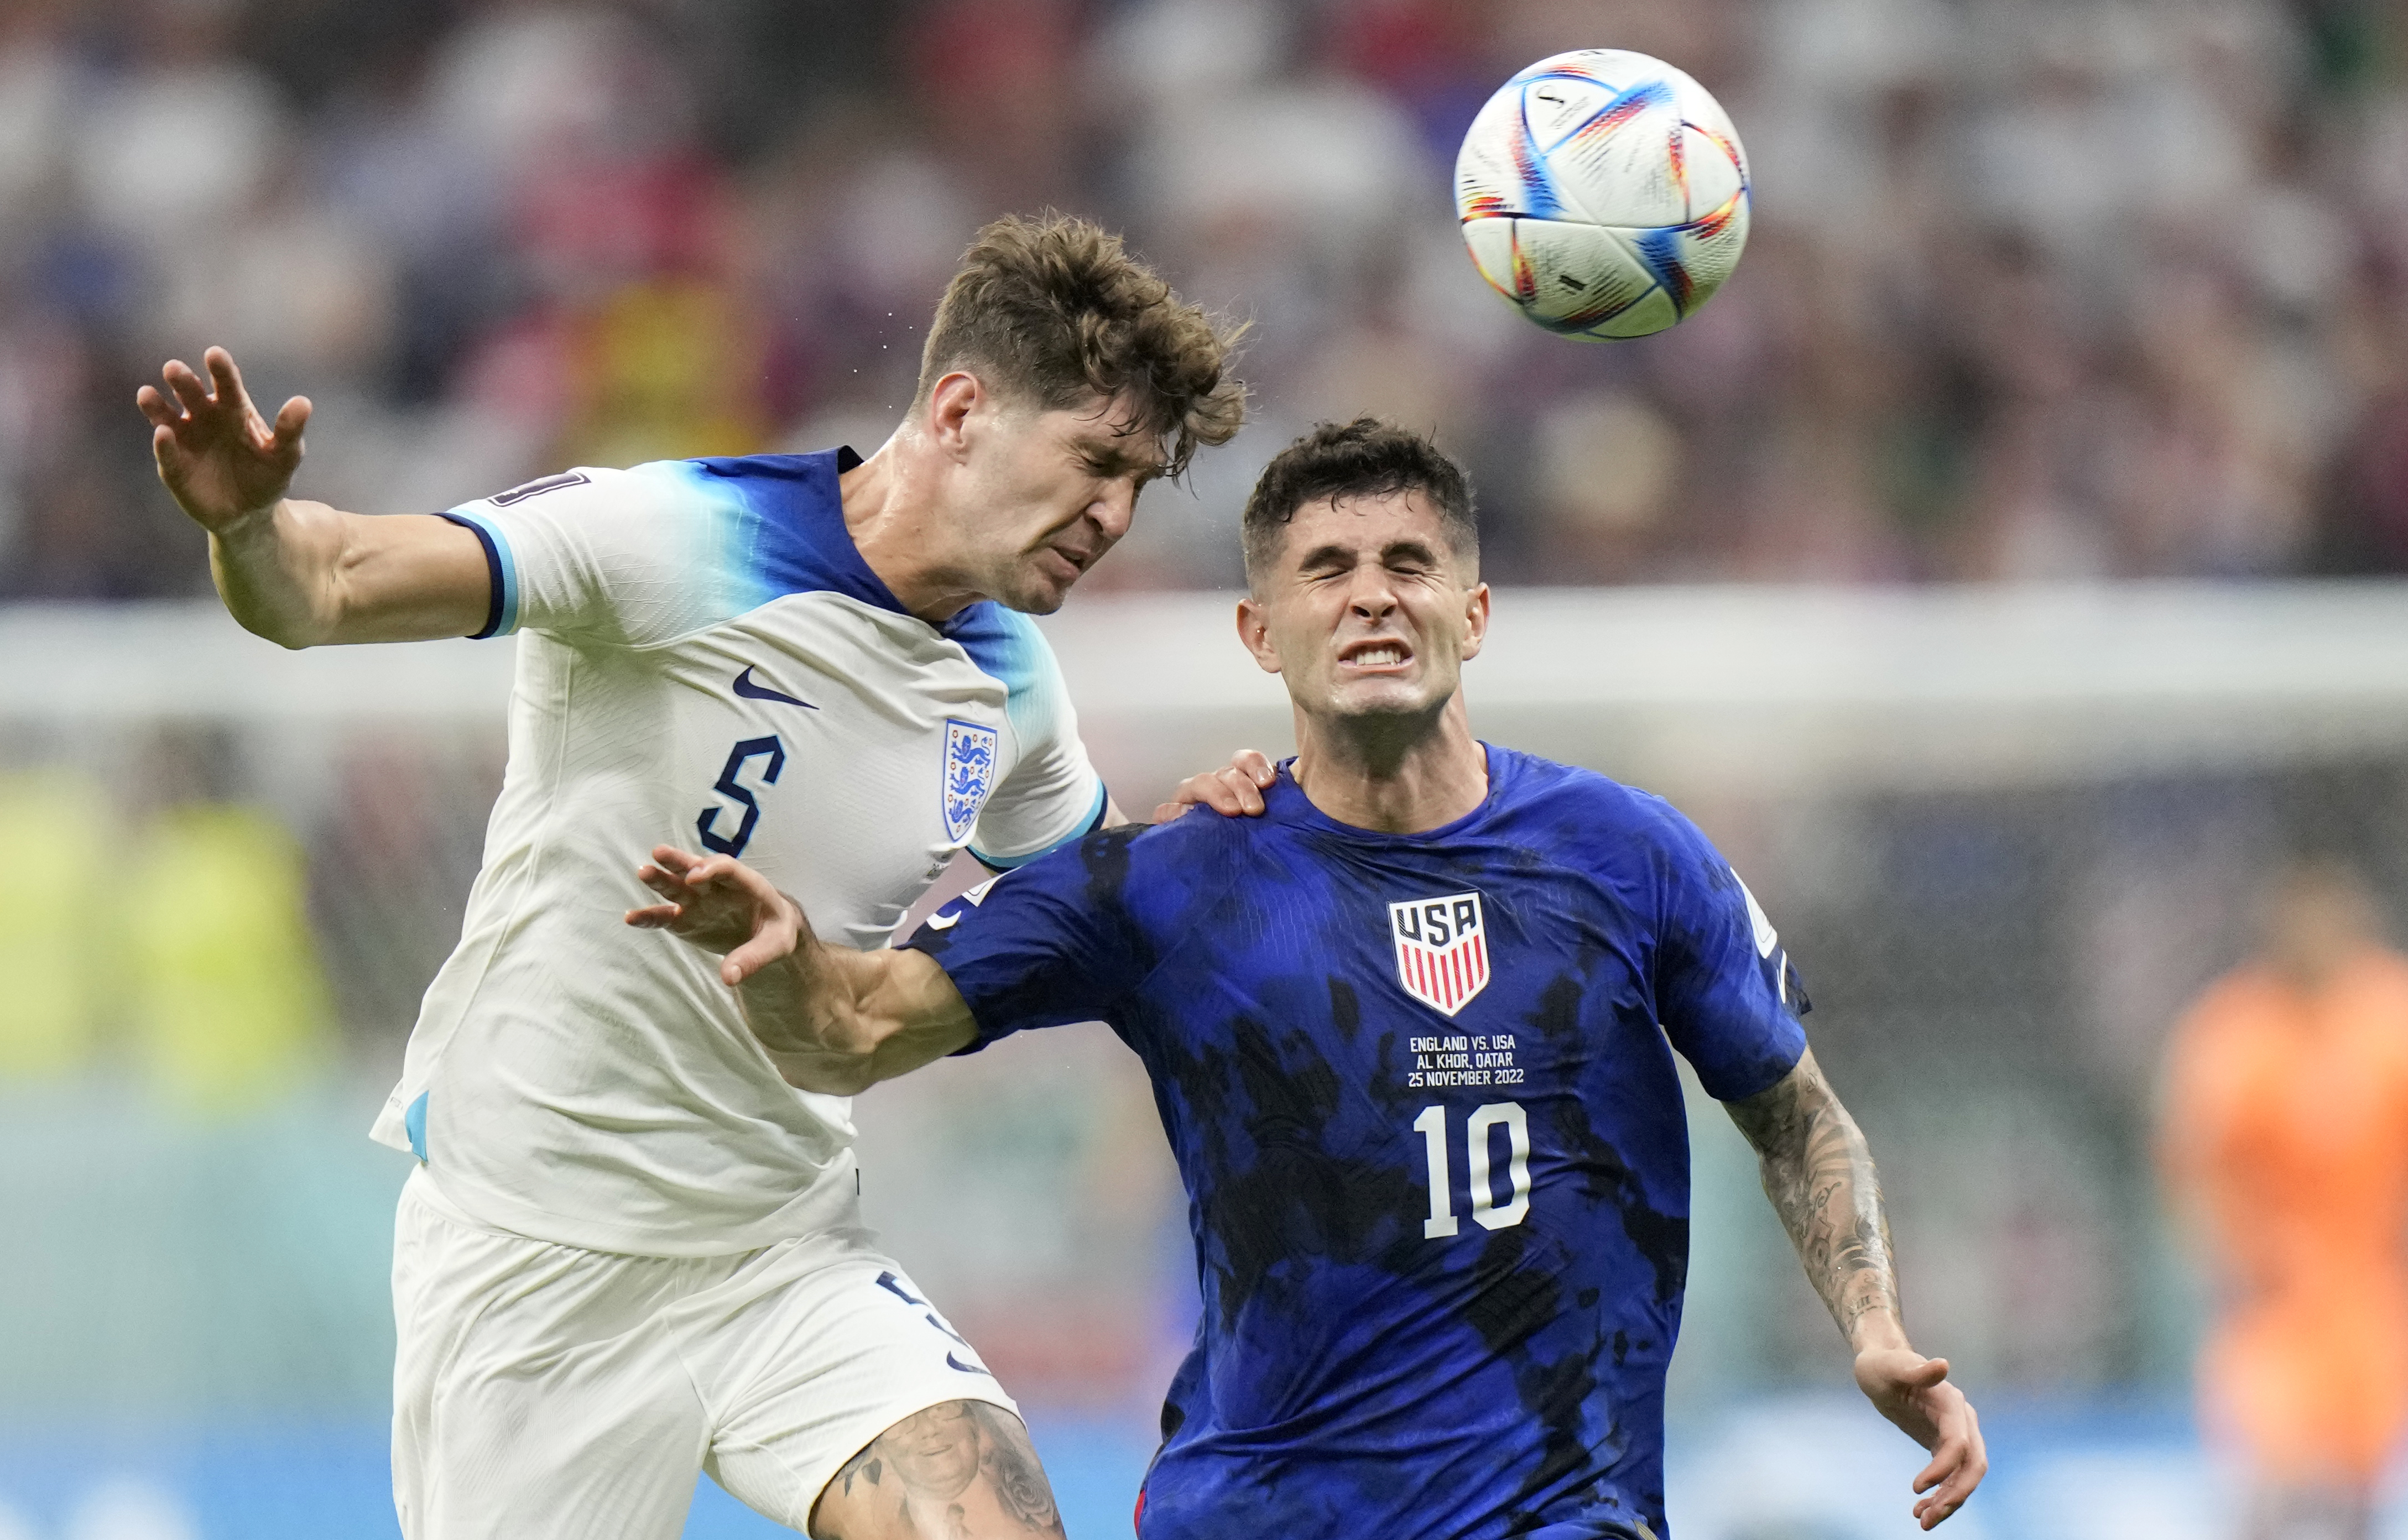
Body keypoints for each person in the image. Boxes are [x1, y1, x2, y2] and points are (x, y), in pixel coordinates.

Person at [628, 417, 1990, 1539]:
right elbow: (857, 1027)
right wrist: (790, 956)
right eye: (1325, 568)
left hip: (1557, 1514)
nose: (1371, 594)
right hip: (1256, 1512)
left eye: (1407, 560)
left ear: (1475, 609)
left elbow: (1795, 1110)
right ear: (1256, 630)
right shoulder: (1171, 877)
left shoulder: (1628, 855)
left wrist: (1872, 1322)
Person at [134, 212, 1249, 1540]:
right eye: (1096, 462)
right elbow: (323, 584)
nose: (1115, 514)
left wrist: (1201, 836)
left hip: (784, 1249)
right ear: (959, 408)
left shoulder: (1006, 677)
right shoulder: (674, 533)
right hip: (539, 1263)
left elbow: (1090, 895)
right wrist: (250, 526)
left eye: (1141, 483)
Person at [2161, 859, 2408, 1540]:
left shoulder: (2389, 1015)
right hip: (2276, 1302)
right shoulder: (2233, 1033)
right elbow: (2194, 1170)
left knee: (2363, 1485)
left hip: (2369, 1292)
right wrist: (2228, 1261)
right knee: (2271, 1476)